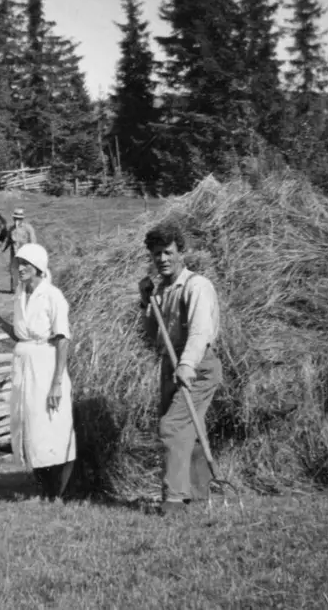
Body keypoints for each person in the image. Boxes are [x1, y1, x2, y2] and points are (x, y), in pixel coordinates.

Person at [138, 222, 222, 517]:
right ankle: (199, 493)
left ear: (181, 252)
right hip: (170, 364)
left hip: (197, 366)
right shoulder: (162, 290)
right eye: (156, 254)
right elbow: (152, 335)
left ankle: (174, 500)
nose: (162, 259)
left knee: (173, 426)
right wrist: (145, 302)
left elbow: (200, 331)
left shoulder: (196, 286)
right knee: (189, 431)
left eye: (168, 252)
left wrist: (187, 365)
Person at [0, 243, 76, 503]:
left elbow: (62, 339)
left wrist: (57, 383)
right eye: (18, 263)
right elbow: (20, 335)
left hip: (46, 366)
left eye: (25, 264)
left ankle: (56, 494)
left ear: (38, 268)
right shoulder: (20, 294)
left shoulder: (53, 296)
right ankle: (43, 491)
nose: (20, 268)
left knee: (50, 426)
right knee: (31, 427)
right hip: (24, 367)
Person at [0, 208, 37, 291]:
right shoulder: (11, 229)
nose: (17, 220)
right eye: (15, 218)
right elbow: (7, 241)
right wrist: (0, 250)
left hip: (26, 255)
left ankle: (28, 289)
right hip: (14, 254)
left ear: (22, 219)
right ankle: (14, 289)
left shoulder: (28, 228)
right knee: (14, 271)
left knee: (26, 271)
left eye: (19, 218)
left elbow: (33, 241)